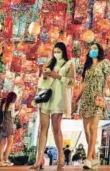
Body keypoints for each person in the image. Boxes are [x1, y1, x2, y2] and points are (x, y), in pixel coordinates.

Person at [30, 42, 76, 170]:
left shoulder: (69, 63)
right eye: (55, 51)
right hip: (46, 96)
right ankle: (39, 158)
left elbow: (72, 81)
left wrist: (59, 77)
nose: (56, 53)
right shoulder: (49, 62)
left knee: (56, 128)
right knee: (42, 127)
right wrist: (44, 76)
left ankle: (61, 155)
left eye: (59, 51)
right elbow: (41, 81)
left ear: (63, 52)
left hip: (59, 97)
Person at [75, 42, 110, 169]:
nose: (93, 50)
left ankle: (88, 159)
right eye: (91, 48)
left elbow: (109, 82)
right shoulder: (86, 66)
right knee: (86, 129)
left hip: (98, 98)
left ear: (99, 50)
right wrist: (76, 99)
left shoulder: (105, 63)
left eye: (95, 48)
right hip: (86, 98)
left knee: (93, 128)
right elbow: (84, 84)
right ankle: (94, 157)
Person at [0, 92, 19, 167]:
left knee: (2, 143)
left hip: (3, 125)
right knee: (10, 142)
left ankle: (0, 161)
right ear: (13, 98)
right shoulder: (12, 104)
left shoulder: (4, 104)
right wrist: (18, 111)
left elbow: (2, 116)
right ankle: (6, 159)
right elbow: (12, 115)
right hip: (9, 125)